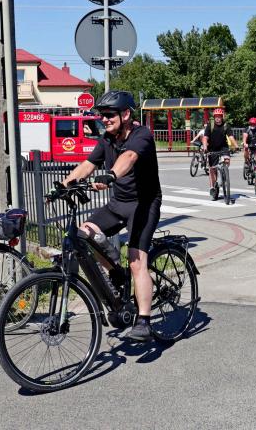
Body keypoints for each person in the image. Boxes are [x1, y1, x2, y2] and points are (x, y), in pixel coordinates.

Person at [61, 90, 161, 342]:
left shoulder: (141, 135)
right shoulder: (107, 139)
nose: (103, 119)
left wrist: (111, 175)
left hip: (144, 205)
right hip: (119, 204)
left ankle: (144, 321)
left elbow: (130, 156)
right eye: (101, 115)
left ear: (125, 114)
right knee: (85, 232)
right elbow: (88, 164)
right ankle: (116, 272)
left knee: (137, 261)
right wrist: (63, 185)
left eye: (108, 115)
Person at [202, 108, 234, 201]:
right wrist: (205, 147)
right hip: (212, 149)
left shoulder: (226, 125)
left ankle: (224, 173)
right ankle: (213, 187)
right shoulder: (210, 125)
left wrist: (236, 146)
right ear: (214, 117)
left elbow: (231, 137)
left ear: (222, 117)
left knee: (227, 160)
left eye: (219, 116)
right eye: (216, 116)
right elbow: (205, 138)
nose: (218, 118)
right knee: (212, 169)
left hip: (223, 147)